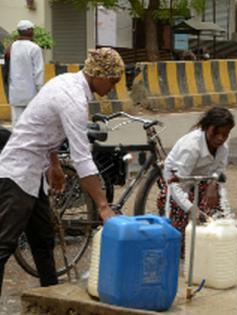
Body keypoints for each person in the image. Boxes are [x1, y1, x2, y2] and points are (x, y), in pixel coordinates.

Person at [0, 47, 123, 295]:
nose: (114, 87)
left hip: (36, 173)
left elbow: (46, 127)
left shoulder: (67, 82)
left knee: (43, 241)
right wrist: (102, 205)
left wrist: (54, 163)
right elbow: (82, 159)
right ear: (99, 74)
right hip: (18, 172)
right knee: (3, 247)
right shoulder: (73, 99)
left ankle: (51, 297)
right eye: (113, 80)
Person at [157, 107, 235, 256]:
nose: (220, 138)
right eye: (216, 132)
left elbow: (219, 168)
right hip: (177, 188)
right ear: (207, 128)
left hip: (200, 183)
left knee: (216, 222)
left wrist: (213, 184)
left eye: (225, 134)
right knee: (182, 242)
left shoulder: (223, 144)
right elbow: (175, 187)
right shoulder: (191, 148)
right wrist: (192, 209)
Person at [7, 20, 44, 127]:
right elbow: (38, 73)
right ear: (29, 31)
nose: (33, 32)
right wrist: (41, 92)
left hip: (15, 93)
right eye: (32, 29)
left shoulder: (12, 46)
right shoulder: (34, 48)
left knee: (16, 124)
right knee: (31, 125)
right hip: (31, 93)